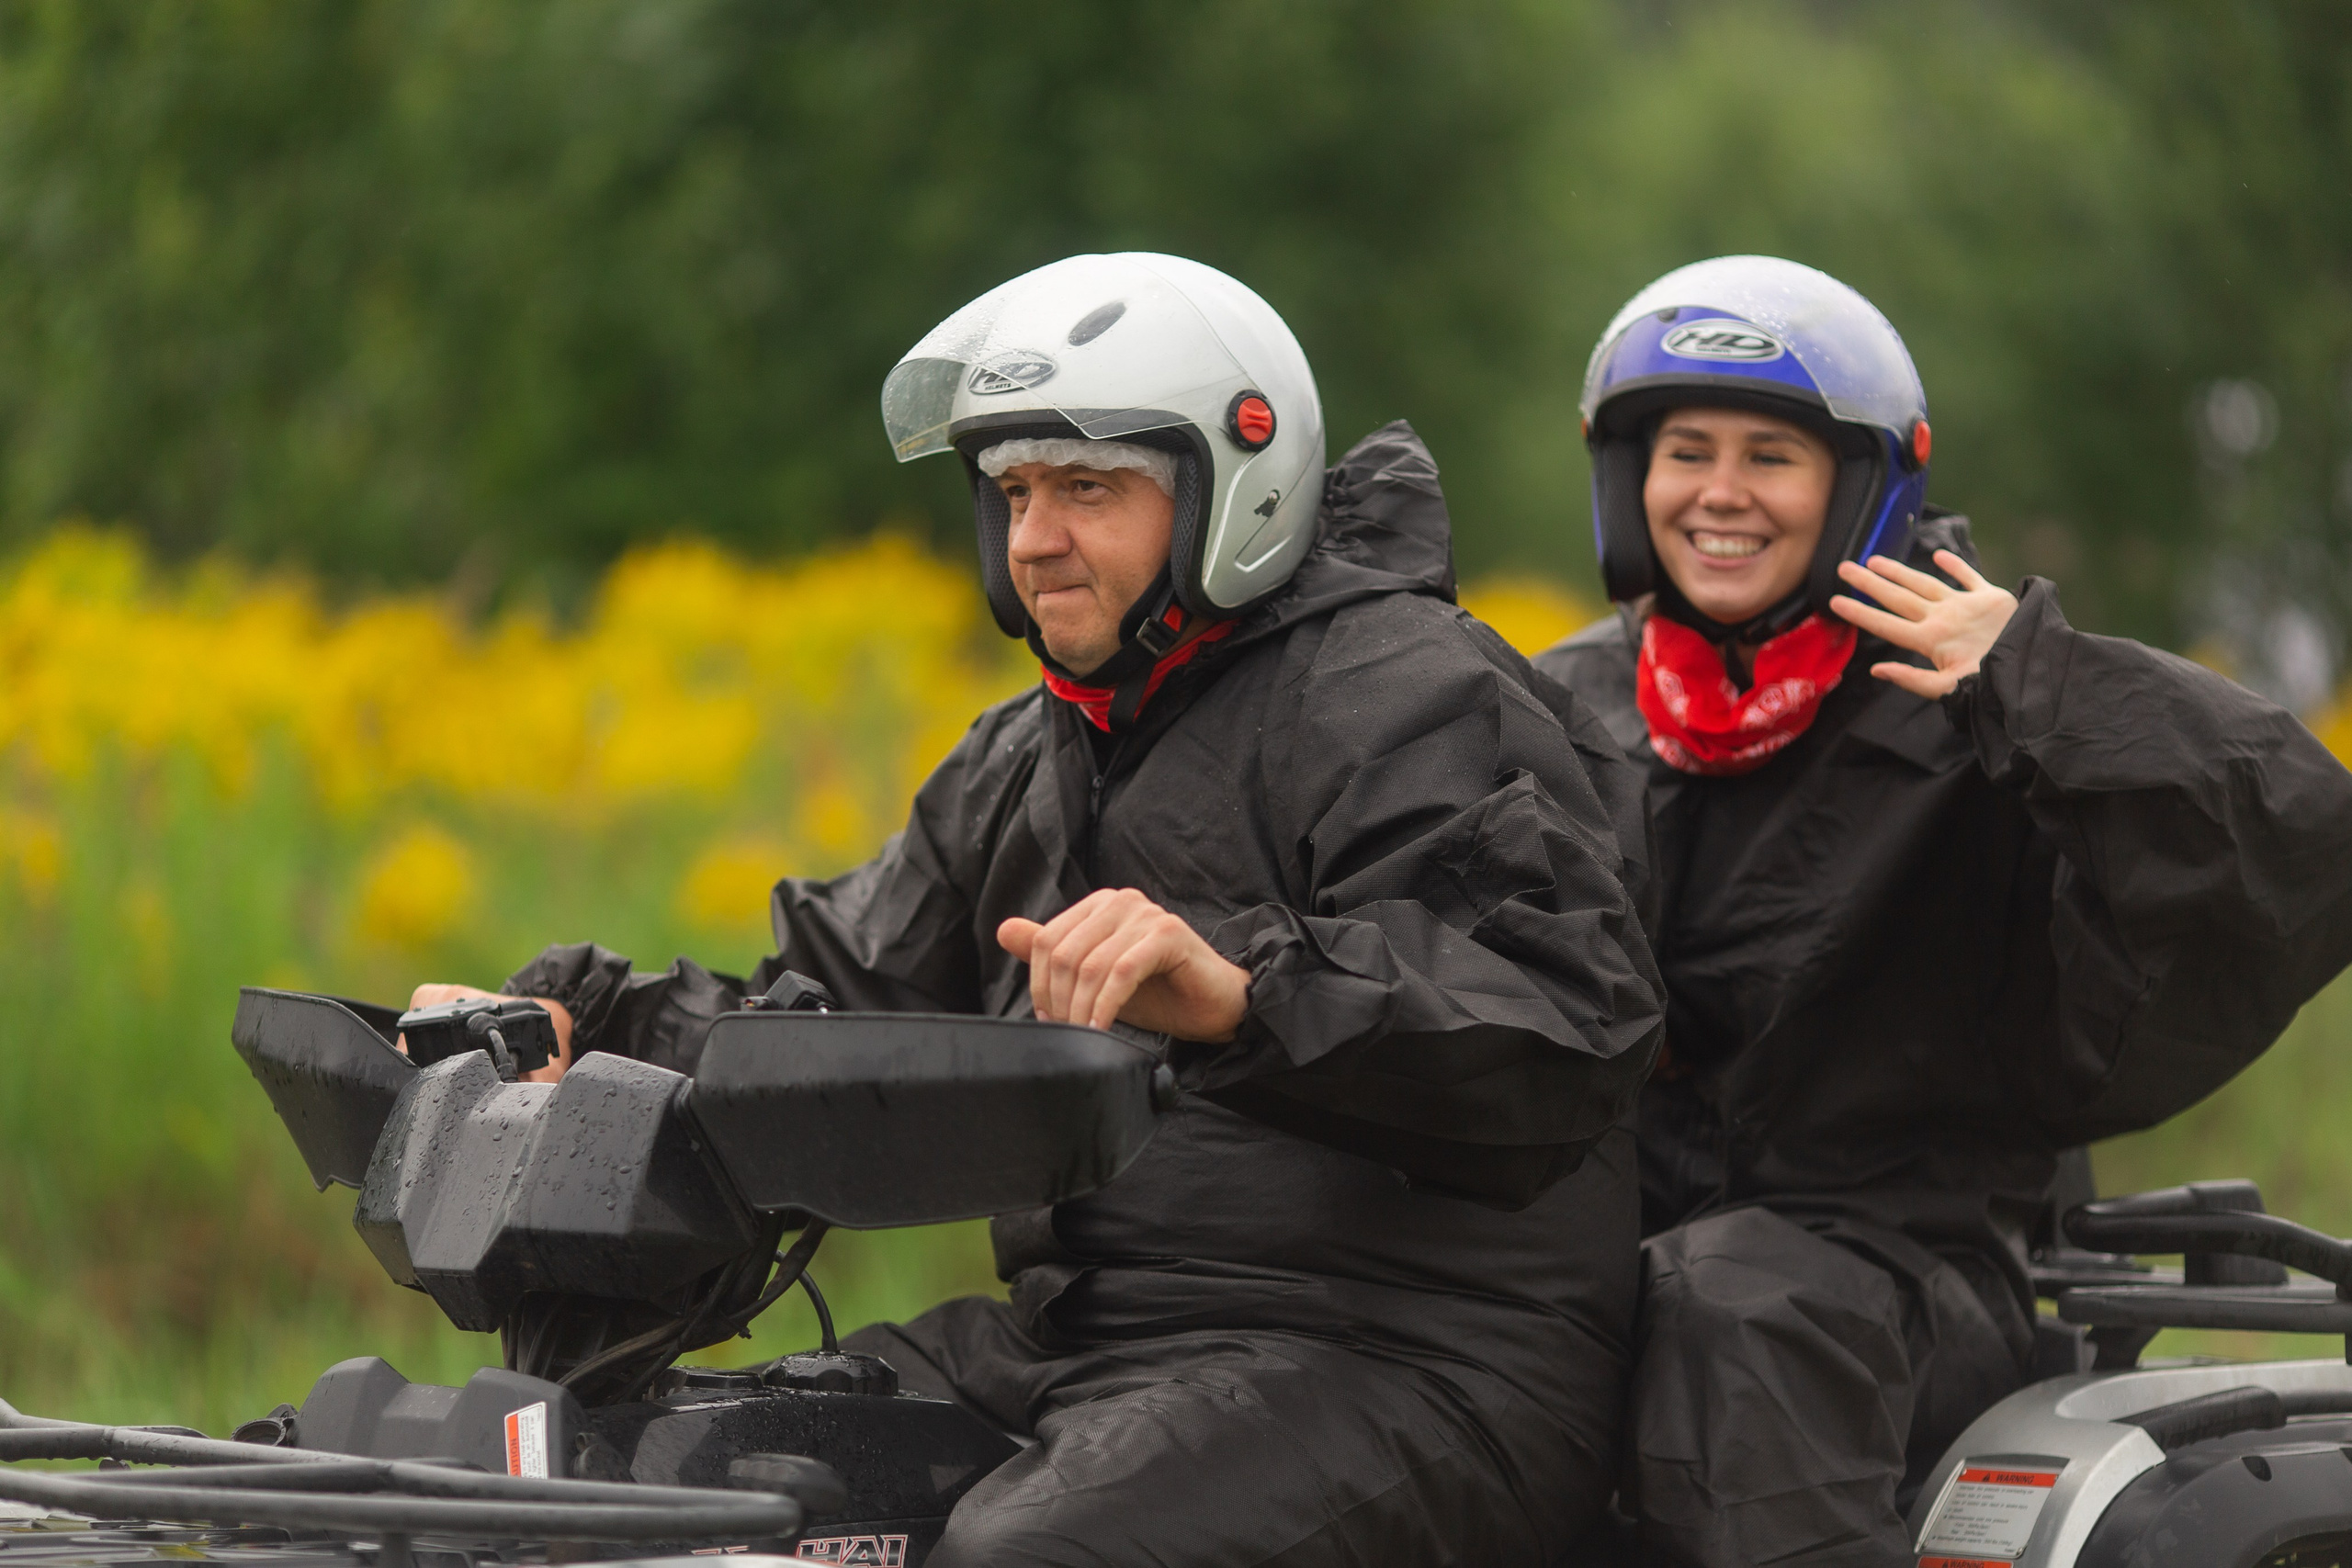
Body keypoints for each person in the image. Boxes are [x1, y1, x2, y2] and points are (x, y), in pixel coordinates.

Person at [414, 252, 1664, 1565]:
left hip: (1426, 1355)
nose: (1034, 538)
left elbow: (1564, 1020)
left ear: (1235, 490)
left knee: (1033, 1559)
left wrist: (1244, 994)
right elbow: (832, 1006)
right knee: (656, 1481)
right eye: (1012, 492)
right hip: (1093, 1343)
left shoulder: (1413, 696)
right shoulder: (1028, 754)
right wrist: (577, 1026)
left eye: (1086, 488)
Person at [1532, 254, 2352, 1567]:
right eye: (1685, 450)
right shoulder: (1556, 704)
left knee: (1726, 1304)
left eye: (1773, 456)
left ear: (1864, 488)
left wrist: (2046, 684)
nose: (1720, 494)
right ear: (1629, 480)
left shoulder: (1980, 701)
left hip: (1907, 1274)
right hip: (1613, 1265)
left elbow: (2301, 844)